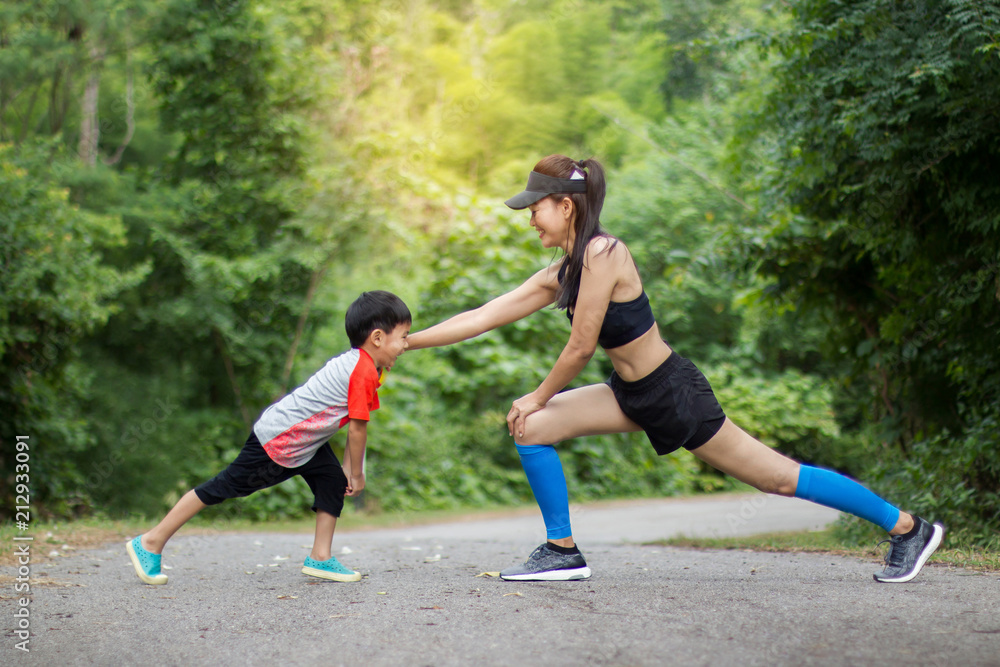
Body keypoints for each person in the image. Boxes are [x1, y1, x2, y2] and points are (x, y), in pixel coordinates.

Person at [406, 155, 944, 584]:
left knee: (777, 478)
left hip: (672, 393)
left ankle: (907, 528)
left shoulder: (604, 253)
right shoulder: (563, 272)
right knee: (532, 427)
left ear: (566, 206)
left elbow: (581, 346)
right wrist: (406, 342)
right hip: (628, 392)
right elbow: (483, 316)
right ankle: (561, 550)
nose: (530, 218)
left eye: (536, 208)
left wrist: (537, 394)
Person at [126, 290, 411, 585]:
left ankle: (320, 557)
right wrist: (357, 474)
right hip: (279, 440)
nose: (406, 344)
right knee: (221, 487)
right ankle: (150, 541)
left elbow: (354, 422)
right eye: (403, 337)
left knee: (331, 480)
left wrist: (347, 471)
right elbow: (357, 429)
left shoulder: (365, 366)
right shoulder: (361, 372)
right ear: (377, 338)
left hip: (305, 443)